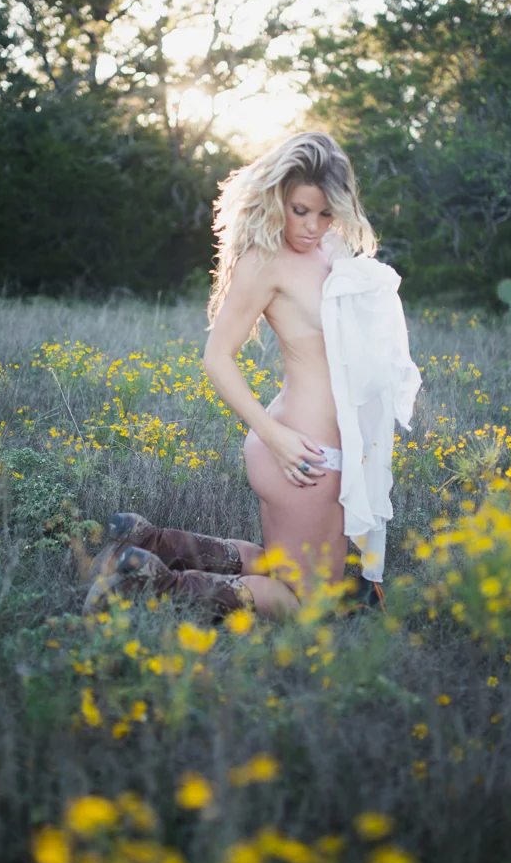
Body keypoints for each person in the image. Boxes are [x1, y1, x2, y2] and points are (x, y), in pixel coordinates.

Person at [83, 131, 395, 620]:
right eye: (300, 211)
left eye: (325, 213)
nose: (312, 226)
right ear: (278, 198)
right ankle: (153, 584)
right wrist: (276, 438)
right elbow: (217, 357)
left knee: (279, 567)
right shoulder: (266, 261)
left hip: (310, 448)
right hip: (302, 452)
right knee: (304, 604)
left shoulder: (328, 249)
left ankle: (151, 541)